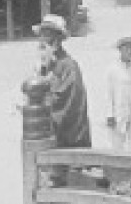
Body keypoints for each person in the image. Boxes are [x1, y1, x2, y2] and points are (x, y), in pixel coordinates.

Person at [33, 14, 91, 148]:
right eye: (41, 36)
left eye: (47, 36)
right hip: (46, 135)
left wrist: (40, 110)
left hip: (69, 139)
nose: (41, 42)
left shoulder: (69, 66)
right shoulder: (45, 65)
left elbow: (68, 106)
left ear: (57, 40)